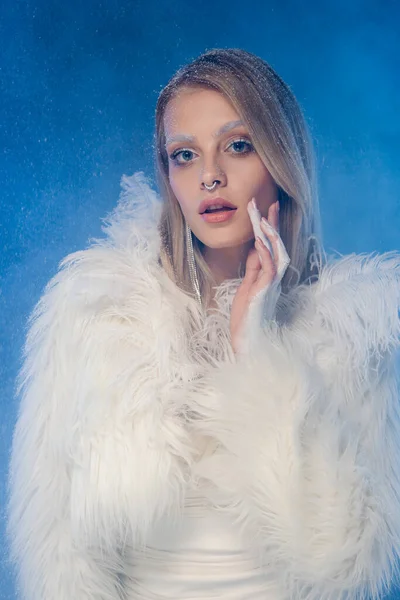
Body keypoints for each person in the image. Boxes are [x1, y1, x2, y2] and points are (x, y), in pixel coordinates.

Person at [6, 48, 400, 600]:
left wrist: (254, 351)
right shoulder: (94, 314)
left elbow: (344, 562)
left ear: (281, 160)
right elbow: (57, 559)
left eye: (237, 147)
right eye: (184, 155)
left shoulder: (354, 331)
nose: (210, 177)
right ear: (168, 175)